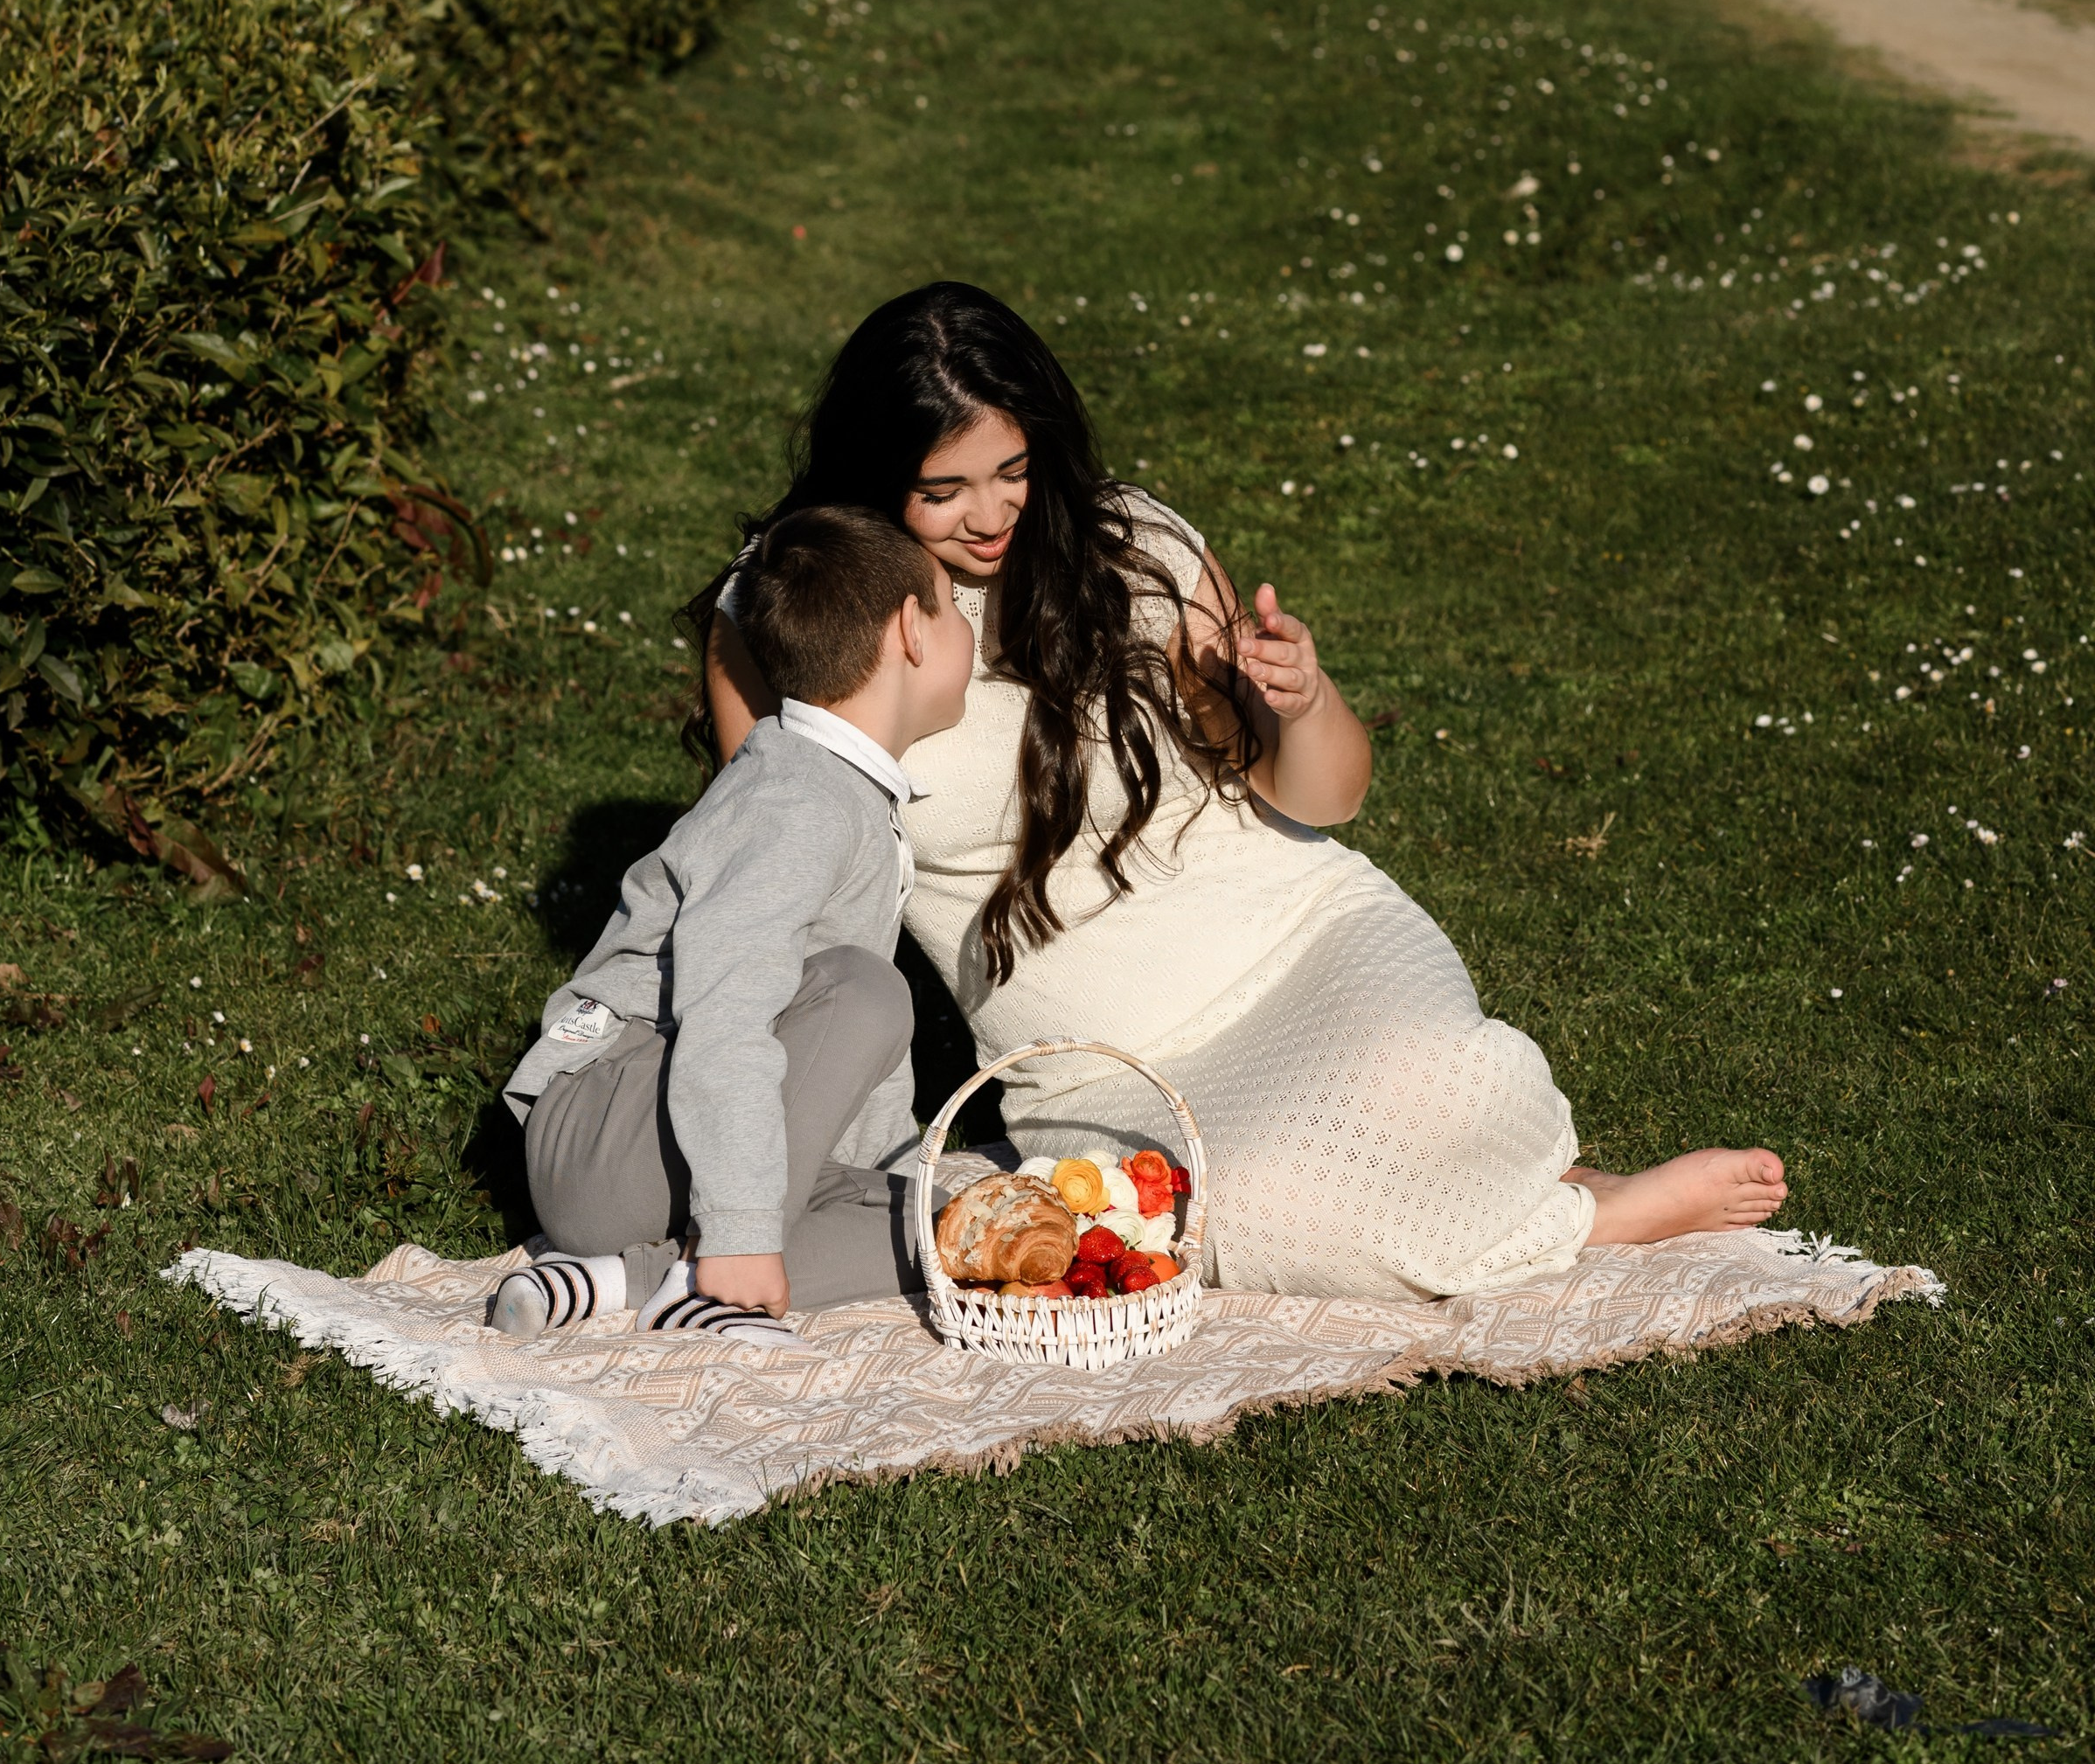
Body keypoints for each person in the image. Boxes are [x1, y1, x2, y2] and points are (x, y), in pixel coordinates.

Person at [701, 283, 1787, 1304]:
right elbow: (785, 866)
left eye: (1014, 471)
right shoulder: (793, 617)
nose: (991, 517)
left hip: (1296, 928)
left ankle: (1522, 1194)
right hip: (1107, 1051)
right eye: (941, 491)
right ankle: (1595, 1215)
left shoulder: (1128, 547)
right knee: (1269, 1210)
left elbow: (1319, 800)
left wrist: (1304, 703)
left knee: (1437, 1076)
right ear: (869, 473)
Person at [494, 505, 975, 1342]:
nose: (971, 632)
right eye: (956, 609)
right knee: (868, 989)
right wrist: (746, 1228)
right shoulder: (797, 800)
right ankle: (721, 1265)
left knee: (946, 1233)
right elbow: (725, 1008)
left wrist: (886, 1180)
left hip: (663, 1162)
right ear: (912, 631)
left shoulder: (836, 788)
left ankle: (628, 1280)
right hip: (605, 1135)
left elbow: (826, 1061)